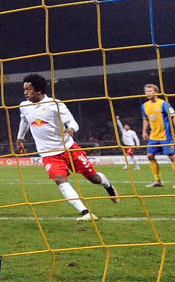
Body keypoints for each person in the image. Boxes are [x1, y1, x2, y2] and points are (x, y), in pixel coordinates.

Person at [15, 74, 118, 221]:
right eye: (24, 89)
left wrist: (71, 130)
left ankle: (108, 186)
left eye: (28, 89)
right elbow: (24, 121)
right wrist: (20, 138)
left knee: (93, 178)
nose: (25, 92)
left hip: (69, 149)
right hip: (48, 154)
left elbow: (73, 122)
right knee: (59, 179)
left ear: (38, 90)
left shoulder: (55, 104)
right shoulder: (24, 106)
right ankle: (85, 212)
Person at [141, 84, 175, 188]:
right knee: (150, 155)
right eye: (147, 91)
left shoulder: (164, 104)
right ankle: (158, 180)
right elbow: (145, 119)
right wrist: (144, 131)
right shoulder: (144, 106)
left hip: (166, 136)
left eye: (150, 91)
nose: (148, 93)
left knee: (171, 156)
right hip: (153, 136)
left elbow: (174, 117)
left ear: (156, 92)